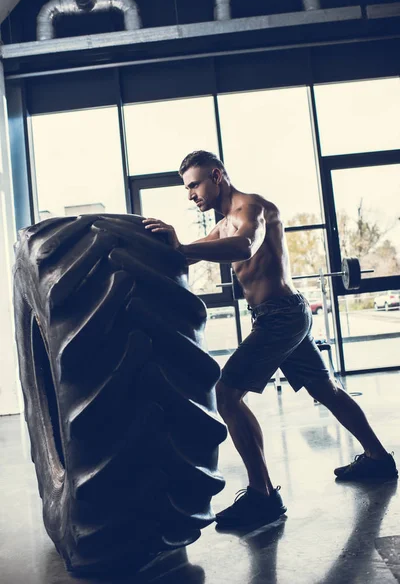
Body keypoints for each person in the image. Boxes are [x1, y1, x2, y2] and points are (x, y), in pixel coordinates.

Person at [143, 150, 398, 530]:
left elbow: (245, 246)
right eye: (187, 188)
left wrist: (183, 248)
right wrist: (152, 249)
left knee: (227, 395)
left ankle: (263, 497)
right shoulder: (223, 224)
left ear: (216, 176)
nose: (190, 194)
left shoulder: (252, 209)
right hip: (278, 315)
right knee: (325, 389)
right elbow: (190, 255)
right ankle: (378, 458)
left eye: (194, 184)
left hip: (281, 316)